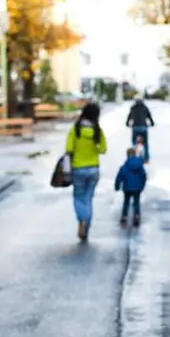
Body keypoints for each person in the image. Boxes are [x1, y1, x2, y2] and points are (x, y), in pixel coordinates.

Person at [66, 102, 107, 242]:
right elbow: (103, 150)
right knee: (88, 198)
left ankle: (82, 221)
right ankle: (86, 226)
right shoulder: (97, 131)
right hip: (94, 168)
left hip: (78, 168)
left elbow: (69, 149)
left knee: (79, 197)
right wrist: (93, 147)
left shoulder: (75, 129)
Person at [114, 147, 147, 227]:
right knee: (136, 202)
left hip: (127, 187)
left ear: (127, 155)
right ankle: (136, 216)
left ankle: (124, 216)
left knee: (126, 202)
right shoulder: (140, 166)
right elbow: (144, 176)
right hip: (137, 188)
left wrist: (117, 186)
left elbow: (119, 176)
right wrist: (142, 185)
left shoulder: (125, 166)